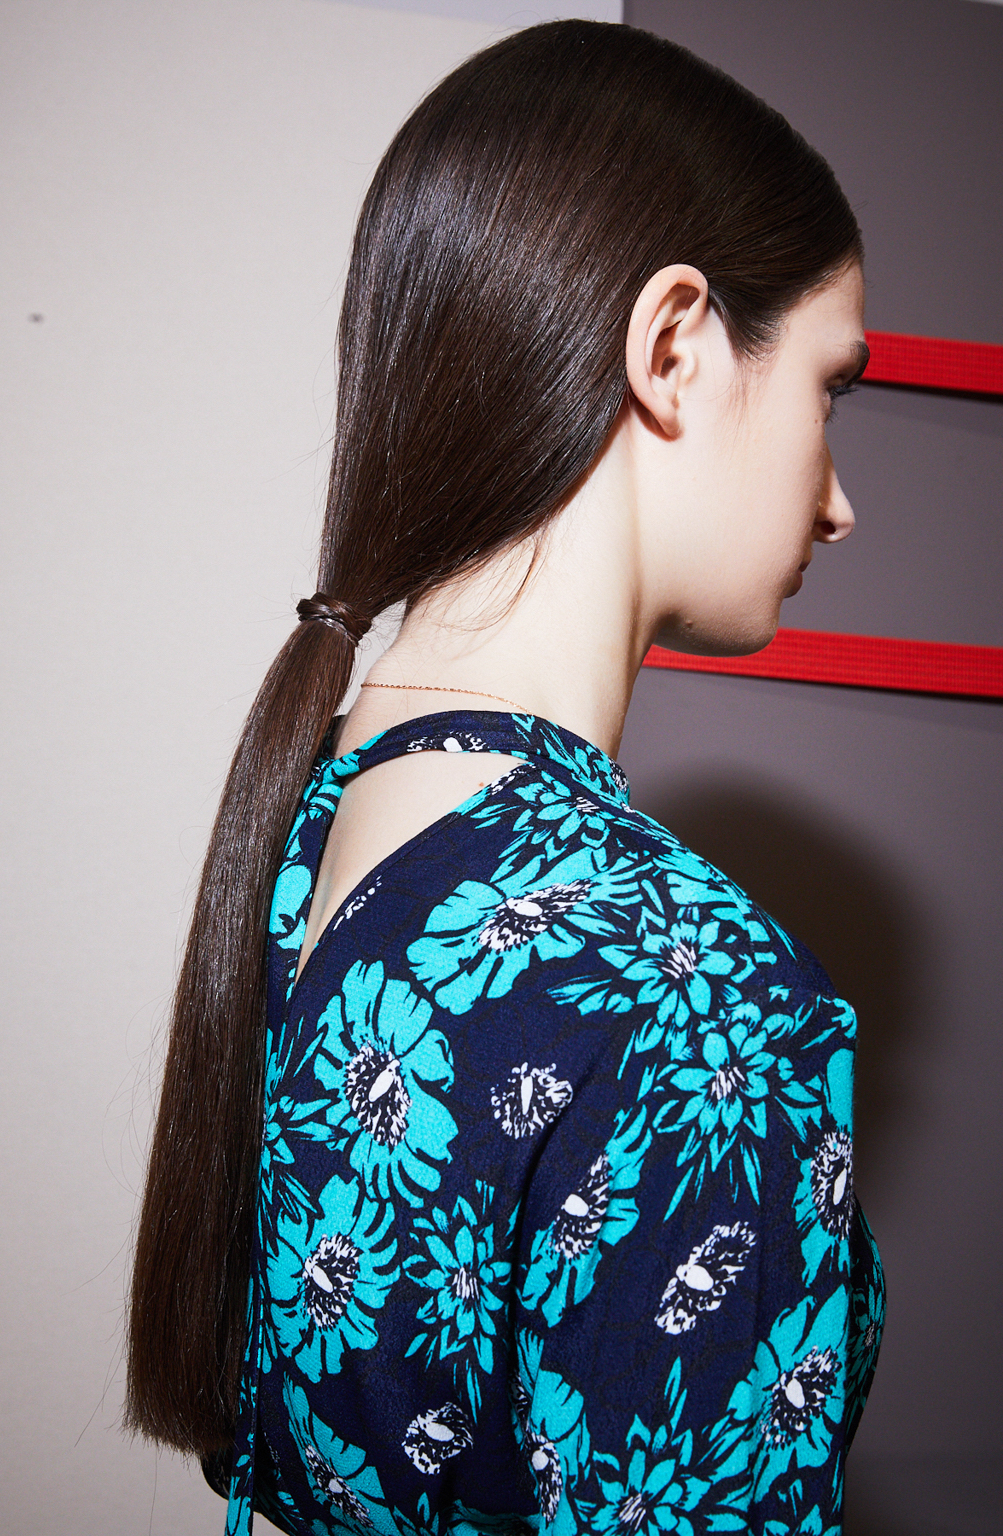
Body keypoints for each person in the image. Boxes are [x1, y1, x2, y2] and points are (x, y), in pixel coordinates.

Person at [126, 20, 884, 1534]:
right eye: (831, 389)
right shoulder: (701, 1002)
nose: (839, 502)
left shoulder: (324, 826)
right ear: (673, 350)